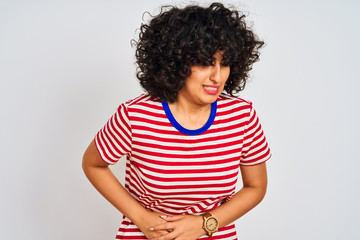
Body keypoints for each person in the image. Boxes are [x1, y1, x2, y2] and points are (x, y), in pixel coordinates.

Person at [82, 2, 271, 240]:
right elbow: (93, 164)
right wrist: (141, 218)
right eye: (205, 63)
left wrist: (204, 225)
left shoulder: (241, 116)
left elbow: (256, 187)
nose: (217, 76)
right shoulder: (136, 115)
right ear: (177, 61)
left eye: (225, 63)